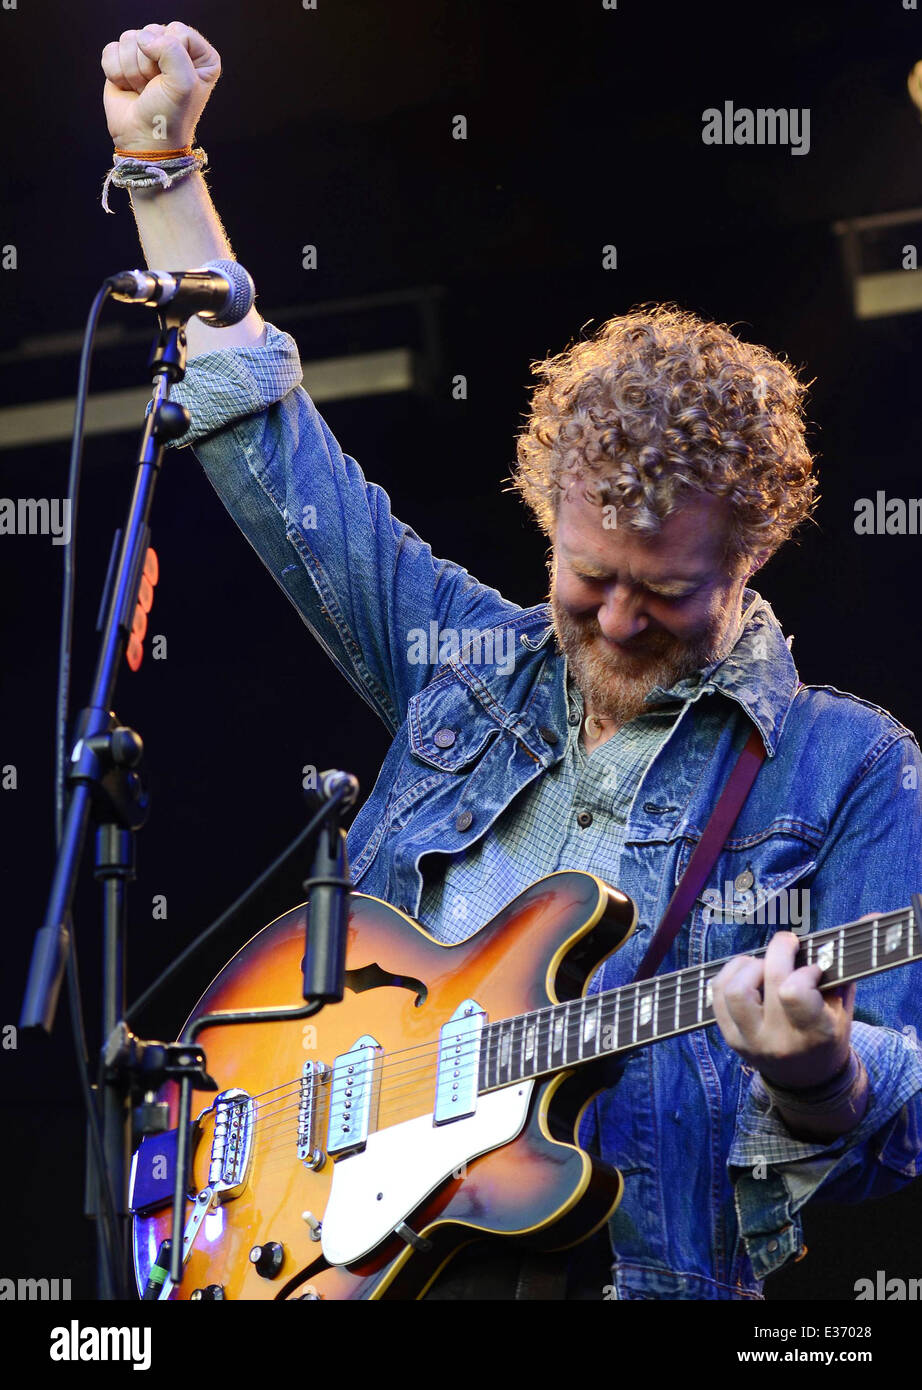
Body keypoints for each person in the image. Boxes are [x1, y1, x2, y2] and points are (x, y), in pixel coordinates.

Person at [102, 21, 922, 1300]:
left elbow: (900, 1114)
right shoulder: (466, 663)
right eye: (589, 579)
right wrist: (164, 171)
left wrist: (815, 1067)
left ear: (752, 554)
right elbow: (277, 465)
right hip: (335, 1239)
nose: (612, 623)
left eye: (666, 595)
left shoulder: (847, 766)